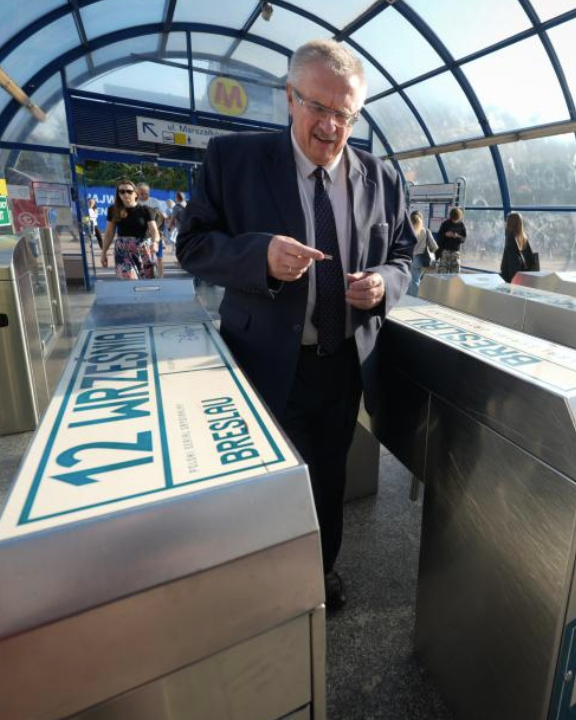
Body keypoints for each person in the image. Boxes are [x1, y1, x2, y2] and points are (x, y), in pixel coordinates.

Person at [176, 39, 414, 611]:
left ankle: (318, 573)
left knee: (327, 478)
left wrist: (384, 283)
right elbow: (192, 244)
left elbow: (406, 255)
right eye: (318, 108)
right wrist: (258, 257)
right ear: (290, 98)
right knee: (257, 479)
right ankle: (255, 583)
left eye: (345, 114)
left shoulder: (383, 178)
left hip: (340, 363)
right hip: (259, 359)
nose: (331, 127)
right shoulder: (233, 160)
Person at [101, 180, 160, 279]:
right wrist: (104, 252)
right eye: (122, 191)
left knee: (147, 283)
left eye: (129, 191)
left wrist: (155, 242)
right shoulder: (113, 210)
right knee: (128, 282)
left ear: (135, 194)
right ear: (118, 194)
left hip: (143, 249)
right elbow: (109, 233)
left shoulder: (146, 210)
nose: (125, 194)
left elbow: (154, 231)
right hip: (123, 250)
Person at [138, 183, 168, 277]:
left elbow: (159, 217)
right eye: (141, 193)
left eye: (145, 193)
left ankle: (161, 277)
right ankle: (145, 276)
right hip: (142, 236)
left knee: (159, 257)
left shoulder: (154, 201)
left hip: (155, 234)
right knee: (142, 258)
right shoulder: (135, 202)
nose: (143, 195)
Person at [499, 211, 538, 282]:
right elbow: (530, 260)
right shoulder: (523, 237)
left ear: (510, 224)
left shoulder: (510, 240)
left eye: (507, 221)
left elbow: (511, 264)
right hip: (523, 276)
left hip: (511, 278)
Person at [408, 210, 437, 297]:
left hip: (410, 258)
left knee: (412, 280)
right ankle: (413, 296)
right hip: (422, 260)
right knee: (416, 279)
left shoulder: (408, 230)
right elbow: (434, 246)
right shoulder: (426, 231)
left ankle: (411, 298)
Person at [436, 207, 466, 274]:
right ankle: (443, 284)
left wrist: (458, 236)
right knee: (442, 273)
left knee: (455, 274)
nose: (454, 221)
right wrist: (445, 235)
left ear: (459, 217)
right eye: (453, 219)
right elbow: (438, 237)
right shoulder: (445, 224)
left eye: (456, 219)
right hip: (445, 251)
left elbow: (464, 239)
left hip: (455, 252)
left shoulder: (461, 225)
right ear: (451, 217)